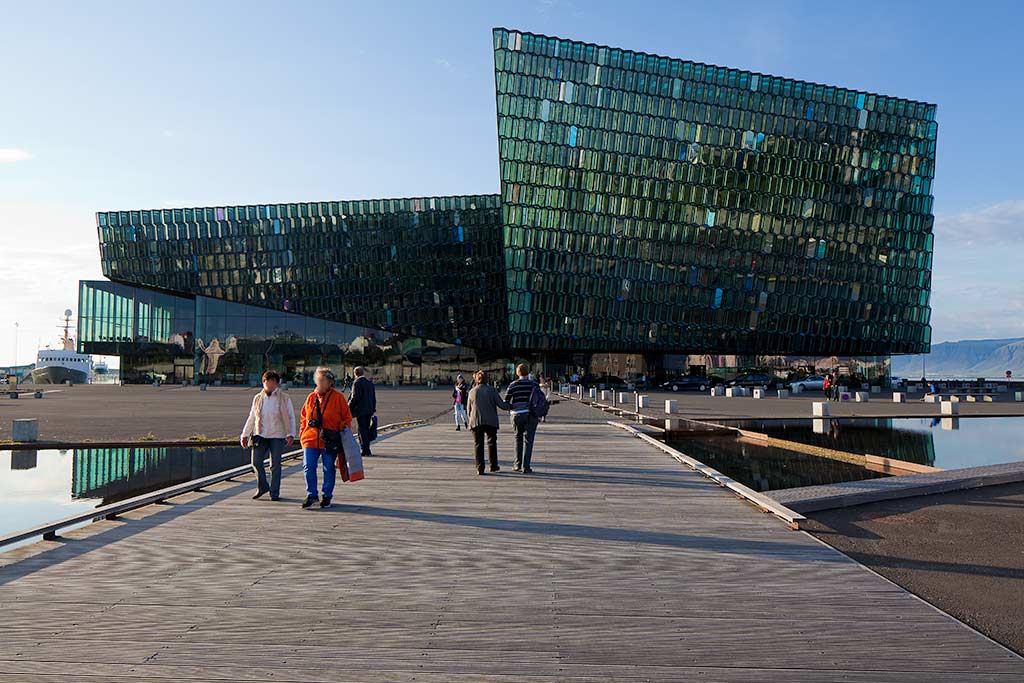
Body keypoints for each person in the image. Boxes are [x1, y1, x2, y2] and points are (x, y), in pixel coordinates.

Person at [298, 367, 353, 509]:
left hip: (329, 439)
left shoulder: (338, 398)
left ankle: (327, 495)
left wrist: (341, 426)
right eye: (318, 380)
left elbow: (347, 417)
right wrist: (302, 433)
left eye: (323, 380)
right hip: (310, 439)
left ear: (330, 382)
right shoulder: (311, 397)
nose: (320, 383)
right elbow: (304, 417)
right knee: (308, 466)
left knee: (329, 467)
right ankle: (312, 495)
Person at [240, 370, 296, 501]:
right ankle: (263, 486)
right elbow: (252, 417)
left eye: (273, 383)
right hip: (260, 434)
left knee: (275, 464)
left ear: (277, 384)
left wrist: (291, 434)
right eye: (267, 382)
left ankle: (274, 492)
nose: (270, 385)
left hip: (278, 435)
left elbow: (290, 417)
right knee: (256, 462)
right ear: (263, 382)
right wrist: (245, 434)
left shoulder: (284, 398)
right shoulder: (258, 398)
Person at [467, 370, 512, 474]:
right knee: (492, 443)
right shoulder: (492, 390)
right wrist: (511, 406)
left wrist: (470, 418)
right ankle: (493, 465)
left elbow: (469, 409)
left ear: (476, 380)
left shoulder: (472, 391)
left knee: (478, 444)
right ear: (487, 379)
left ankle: (480, 468)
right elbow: (501, 405)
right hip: (491, 421)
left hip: (476, 421)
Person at [504, 363, 541, 473]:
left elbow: (506, 400)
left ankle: (517, 464)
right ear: (527, 372)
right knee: (529, 441)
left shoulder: (513, 385)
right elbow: (538, 398)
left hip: (516, 414)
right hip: (530, 414)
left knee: (517, 439)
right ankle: (526, 466)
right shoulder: (534, 384)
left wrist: (511, 407)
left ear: (517, 373)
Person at [348, 366, 377, 458]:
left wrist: (348, 407)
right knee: (366, 428)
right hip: (369, 410)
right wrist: (373, 408)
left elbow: (355, 398)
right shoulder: (369, 383)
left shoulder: (357, 383)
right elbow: (373, 398)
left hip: (360, 410)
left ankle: (365, 450)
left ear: (355, 373)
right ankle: (367, 448)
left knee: (362, 429)